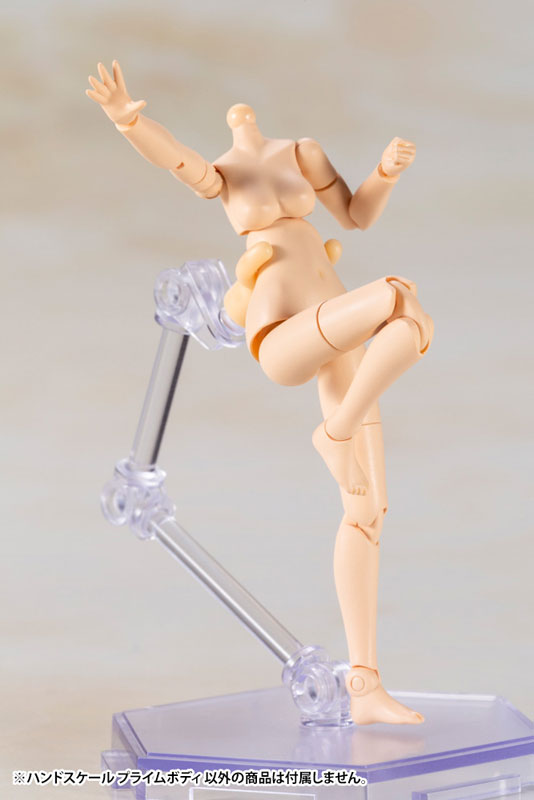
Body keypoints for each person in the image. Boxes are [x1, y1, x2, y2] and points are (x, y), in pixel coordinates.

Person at [87, 61, 433, 724]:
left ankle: (365, 685)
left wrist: (385, 172)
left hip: (339, 334)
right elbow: (174, 158)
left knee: (368, 509)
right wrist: (128, 119)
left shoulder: (302, 153)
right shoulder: (223, 173)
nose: (241, 116)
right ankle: (334, 434)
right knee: (397, 296)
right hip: (283, 332)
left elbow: (356, 215)